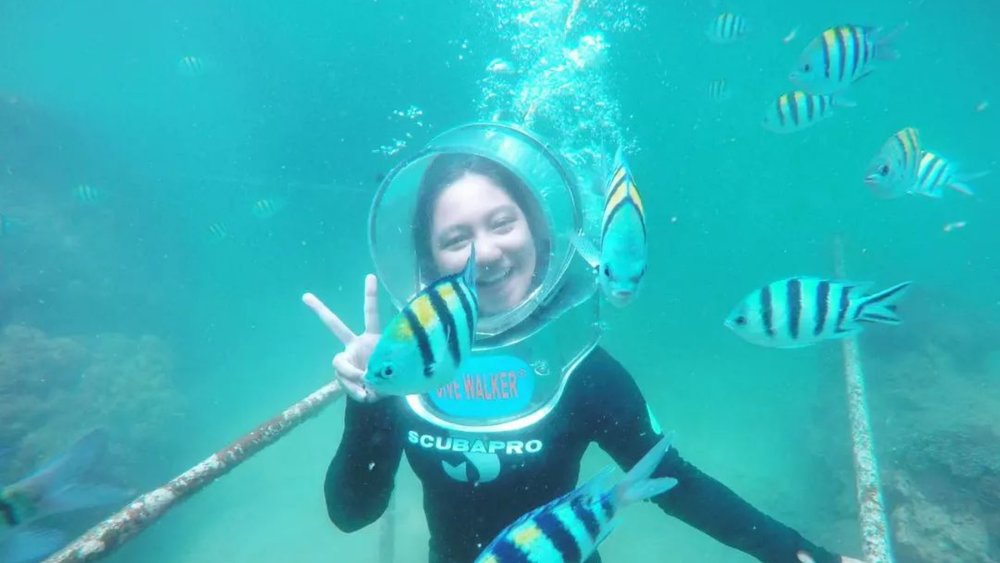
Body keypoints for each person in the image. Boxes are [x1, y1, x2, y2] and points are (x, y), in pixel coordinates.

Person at [303, 123, 861, 563]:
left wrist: (804, 554)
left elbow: (677, 484)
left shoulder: (585, 373)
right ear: (428, 260)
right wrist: (368, 405)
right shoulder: (409, 371)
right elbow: (352, 514)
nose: (487, 252)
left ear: (541, 234)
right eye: (456, 238)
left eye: (502, 222)